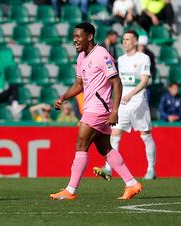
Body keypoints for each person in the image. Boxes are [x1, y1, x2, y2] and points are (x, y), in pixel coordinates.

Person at [49, 22, 142, 200]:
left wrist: (115, 110)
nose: (74, 40)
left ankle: (70, 190)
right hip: (91, 107)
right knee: (105, 148)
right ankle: (132, 183)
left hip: (100, 108)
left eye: (78, 36)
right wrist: (64, 97)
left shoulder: (102, 55)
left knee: (81, 144)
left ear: (89, 36)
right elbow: (79, 84)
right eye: (74, 36)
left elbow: (116, 82)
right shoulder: (81, 57)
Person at [93, 30, 157, 181]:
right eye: (123, 40)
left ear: (135, 41)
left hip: (138, 103)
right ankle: (109, 169)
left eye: (128, 39)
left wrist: (130, 94)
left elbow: (144, 81)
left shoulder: (144, 58)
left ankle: (151, 169)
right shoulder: (120, 60)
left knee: (146, 135)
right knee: (114, 134)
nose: (124, 42)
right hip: (123, 104)